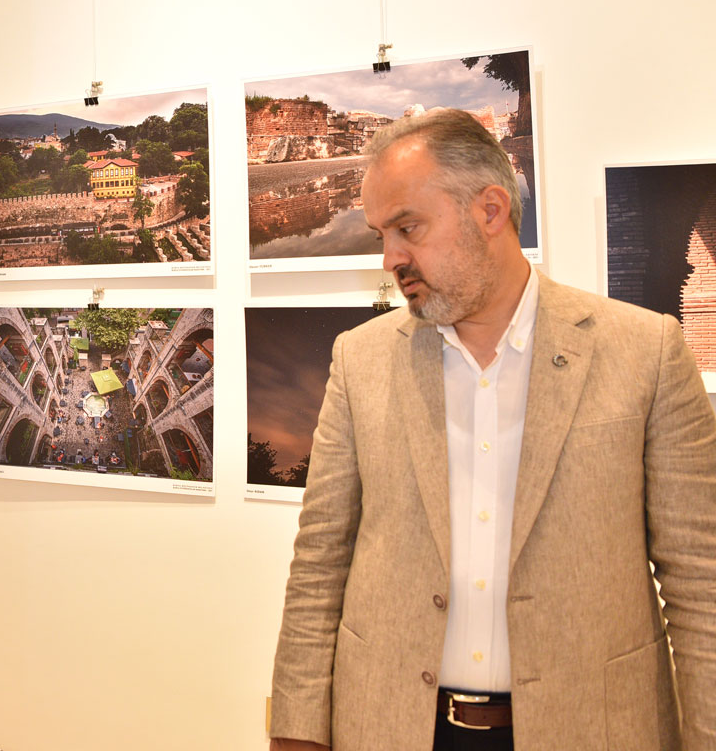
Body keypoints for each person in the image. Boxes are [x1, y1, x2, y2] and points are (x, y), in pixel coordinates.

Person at [269, 109, 716, 751]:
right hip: (394, 724)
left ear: (490, 210)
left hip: (592, 727)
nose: (392, 257)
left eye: (408, 227)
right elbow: (319, 563)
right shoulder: (360, 359)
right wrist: (298, 731)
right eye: (381, 235)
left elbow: (700, 582)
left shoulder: (644, 351)